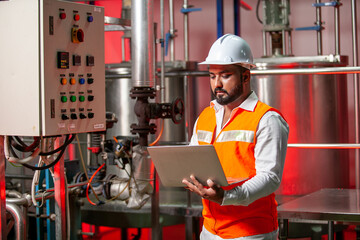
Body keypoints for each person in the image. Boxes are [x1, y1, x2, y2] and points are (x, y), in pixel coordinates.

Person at [182, 34, 289, 240]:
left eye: (225, 75)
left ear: (246, 77)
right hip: (210, 229)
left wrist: (227, 197)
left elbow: (270, 178)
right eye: (212, 76)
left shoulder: (267, 119)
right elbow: (192, 160)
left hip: (250, 232)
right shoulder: (206, 116)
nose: (217, 84)